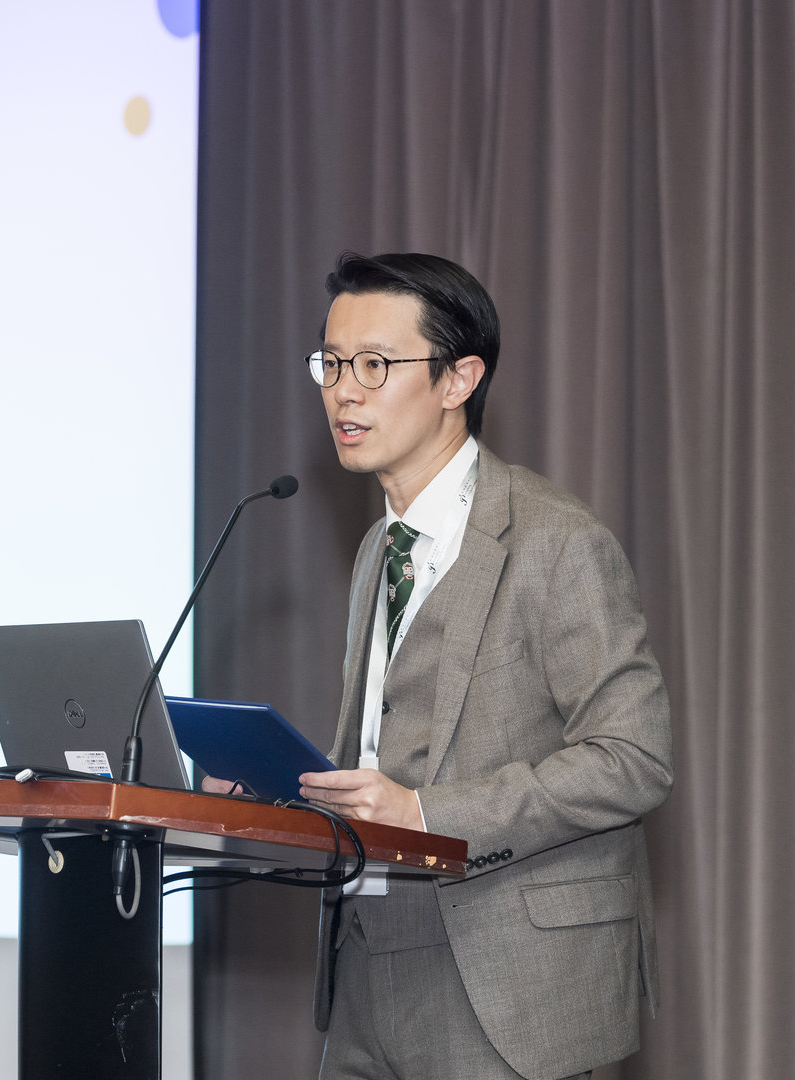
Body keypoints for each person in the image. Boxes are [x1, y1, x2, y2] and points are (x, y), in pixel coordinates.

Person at [206, 252, 672, 1080]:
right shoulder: (377, 548)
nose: (344, 392)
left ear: (459, 379)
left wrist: (428, 813)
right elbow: (383, 756)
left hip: (507, 981)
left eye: (375, 365)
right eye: (331, 364)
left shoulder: (558, 542)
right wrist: (278, 790)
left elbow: (633, 760)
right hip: (363, 966)